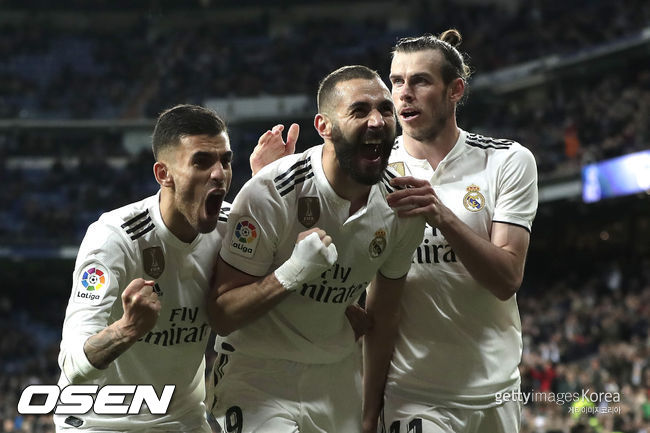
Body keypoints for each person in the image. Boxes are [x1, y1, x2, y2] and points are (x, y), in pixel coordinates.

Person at [206, 65, 425, 433]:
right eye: (359, 110)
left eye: (386, 110)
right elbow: (222, 315)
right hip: (258, 374)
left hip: (339, 377)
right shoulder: (271, 191)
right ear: (324, 126)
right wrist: (293, 273)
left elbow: (383, 317)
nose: (377, 121)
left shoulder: (401, 206)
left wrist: (372, 409)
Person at [363, 30, 539, 433]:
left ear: (455, 90)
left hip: (497, 390)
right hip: (413, 393)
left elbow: (507, 278)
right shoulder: (374, 172)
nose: (404, 94)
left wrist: (442, 216)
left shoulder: (507, 161)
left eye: (420, 81)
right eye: (396, 81)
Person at [55, 104, 233, 432]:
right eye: (202, 161)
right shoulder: (114, 238)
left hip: (182, 421)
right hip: (98, 422)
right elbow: (73, 363)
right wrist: (127, 329)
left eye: (225, 160)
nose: (219, 174)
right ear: (163, 174)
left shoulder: (232, 228)